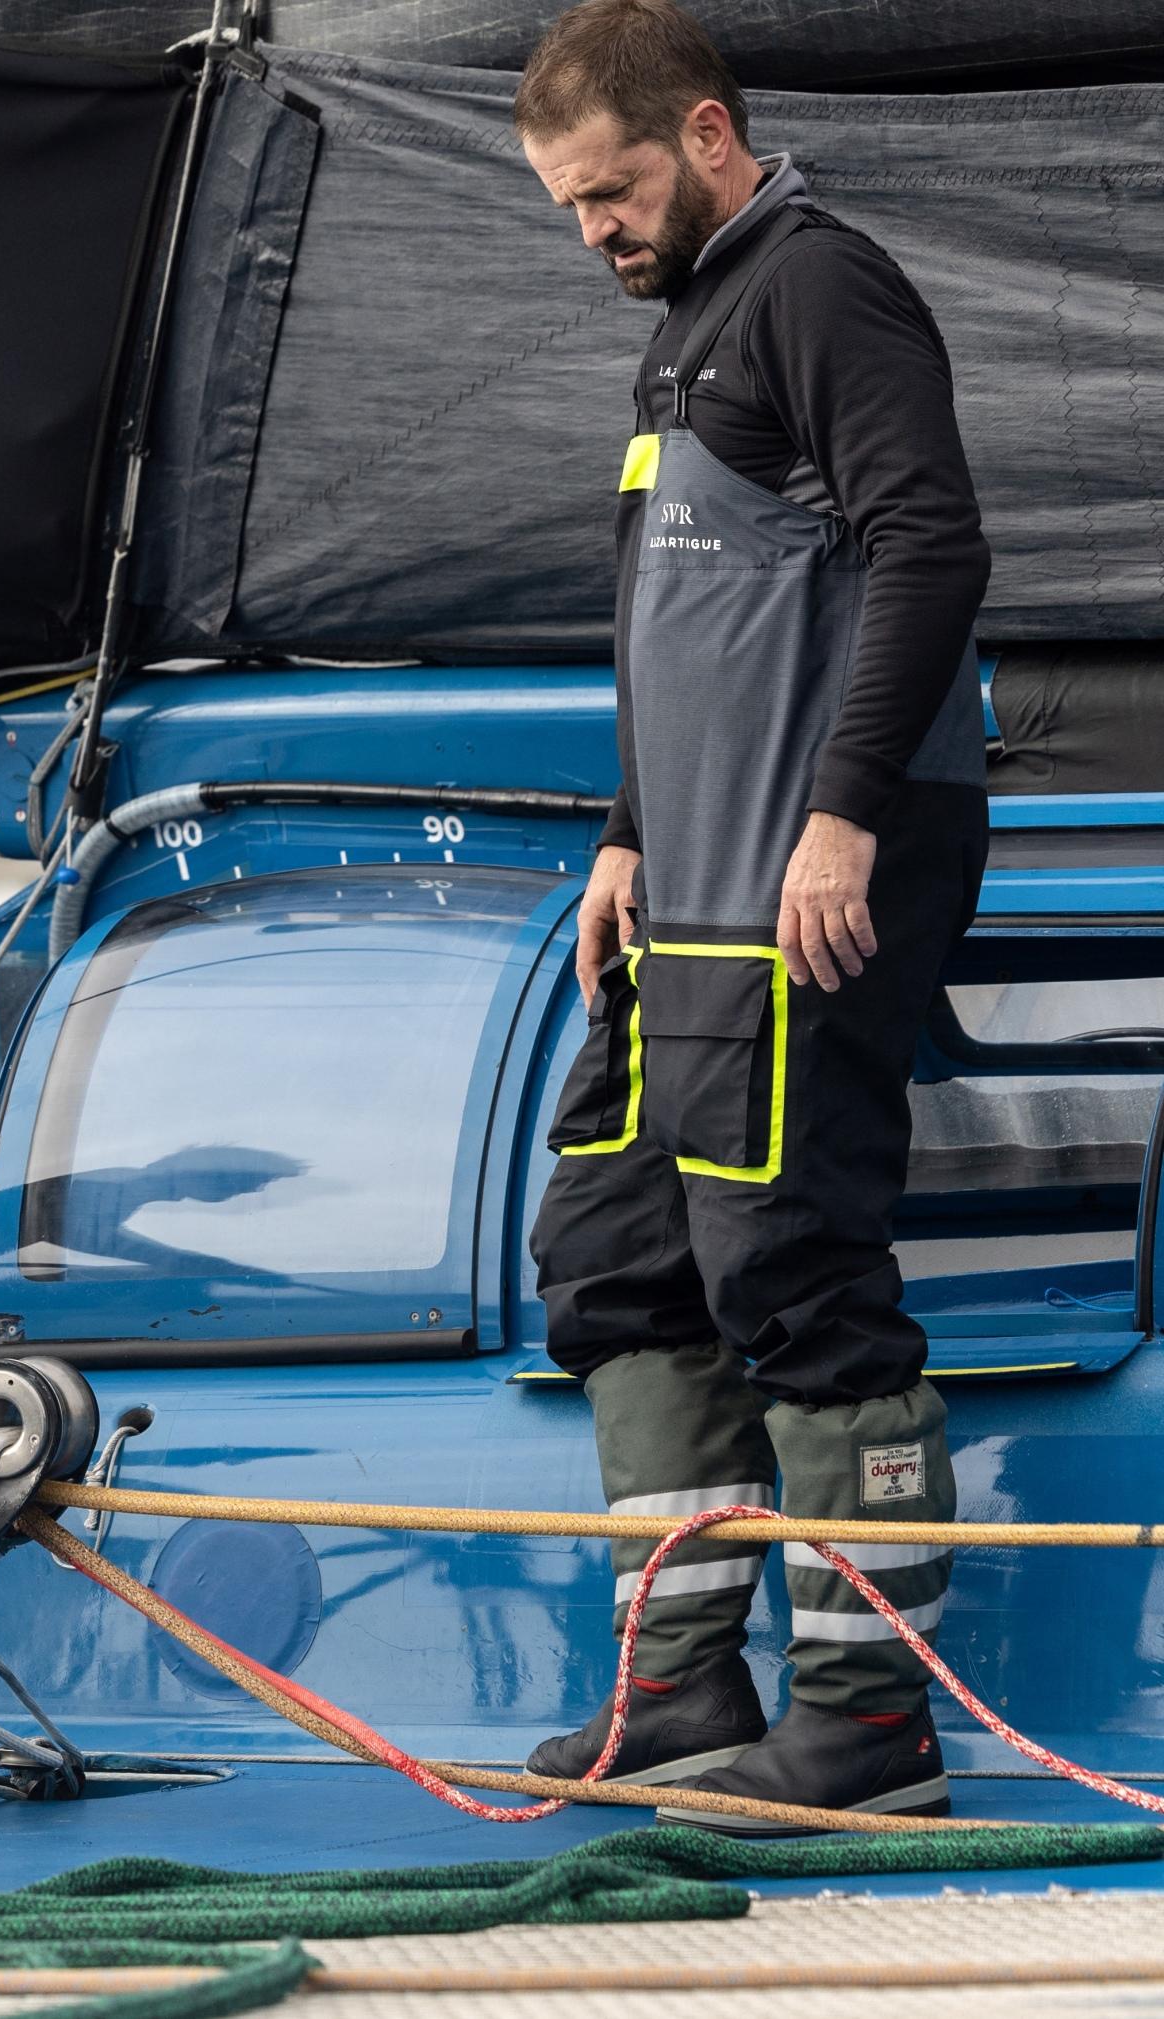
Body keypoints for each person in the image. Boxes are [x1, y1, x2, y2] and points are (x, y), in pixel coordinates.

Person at [515, 0, 990, 1827]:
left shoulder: (819, 285)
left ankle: (871, 1728)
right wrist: (631, 833)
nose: (595, 234)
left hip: (808, 876)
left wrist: (843, 820)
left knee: (791, 1264)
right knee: (621, 1257)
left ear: (709, 136)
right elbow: (674, 613)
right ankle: (684, 1690)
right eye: (567, 207)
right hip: (688, 883)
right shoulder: (684, 327)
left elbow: (930, 542)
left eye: (614, 191)